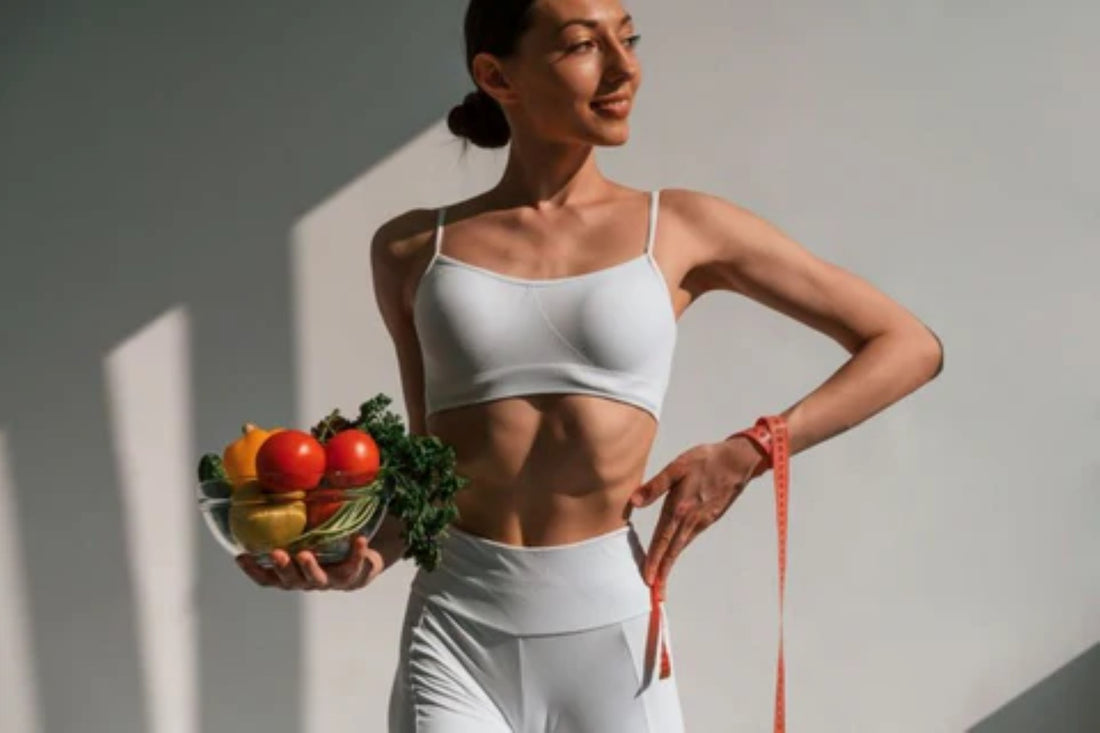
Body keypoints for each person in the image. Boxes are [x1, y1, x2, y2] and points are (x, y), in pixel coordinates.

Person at [236, 0, 944, 730]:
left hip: (611, 629)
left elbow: (906, 344)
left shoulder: (682, 228)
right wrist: (366, 555)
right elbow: (429, 470)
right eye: (582, 44)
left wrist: (751, 450)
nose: (623, 65)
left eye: (627, 38)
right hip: (455, 628)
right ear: (496, 75)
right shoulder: (414, 248)